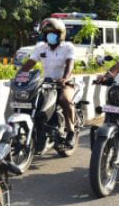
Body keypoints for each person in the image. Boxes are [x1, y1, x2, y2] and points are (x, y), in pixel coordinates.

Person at [17, 17, 76, 146]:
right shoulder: (41, 48)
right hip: (46, 84)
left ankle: (71, 131)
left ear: (60, 34)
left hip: (64, 83)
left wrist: (65, 78)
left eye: (53, 33)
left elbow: (69, 65)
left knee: (65, 100)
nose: (50, 36)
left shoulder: (68, 47)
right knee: (34, 102)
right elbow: (29, 64)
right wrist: (18, 76)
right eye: (48, 33)